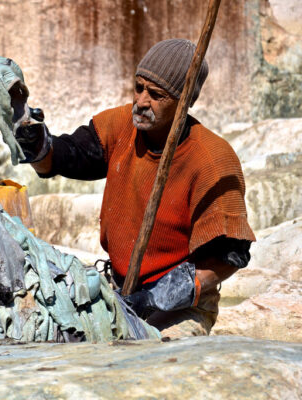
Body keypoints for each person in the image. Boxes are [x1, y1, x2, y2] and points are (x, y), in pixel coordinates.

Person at [15, 38, 256, 338]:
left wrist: (159, 295)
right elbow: (67, 158)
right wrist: (39, 145)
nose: (141, 101)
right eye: (138, 87)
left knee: (153, 371)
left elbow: (230, 256)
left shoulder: (211, 159)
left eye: (156, 94)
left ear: (184, 102)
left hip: (178, 307)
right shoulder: (120, 126)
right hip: (121, 290)